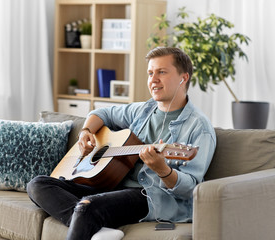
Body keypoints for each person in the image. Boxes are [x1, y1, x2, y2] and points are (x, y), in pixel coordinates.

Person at [27, 47, 216, 240]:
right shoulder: (144, 109)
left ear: (183, 78)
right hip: (114, 184)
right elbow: (101, 113)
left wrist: (162, 170)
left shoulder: (199, 127)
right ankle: (96, 226)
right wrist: (85, 132)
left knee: (87, 207)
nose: (153, 79)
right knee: (38, 184)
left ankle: (89, 218)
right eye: (150, 73)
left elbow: (191, 189)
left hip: (150, 195)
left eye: (162, 72)